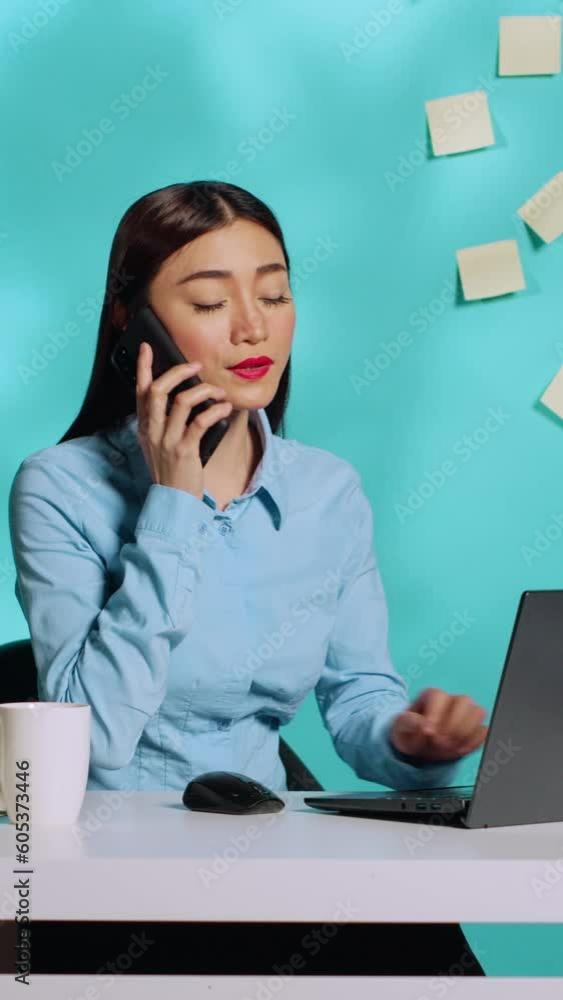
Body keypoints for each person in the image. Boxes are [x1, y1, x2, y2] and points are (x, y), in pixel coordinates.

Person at [8, 180, 487, 975]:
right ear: (133, 323)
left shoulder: (327, 493)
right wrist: (172, 501)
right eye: (208, 302)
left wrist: (414, 740)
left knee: (442, 967)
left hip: (273, 861)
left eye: (274, 293)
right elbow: (89, 742)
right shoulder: (58, 487)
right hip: (105, 880)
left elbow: (359, 699)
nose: (253, 325)